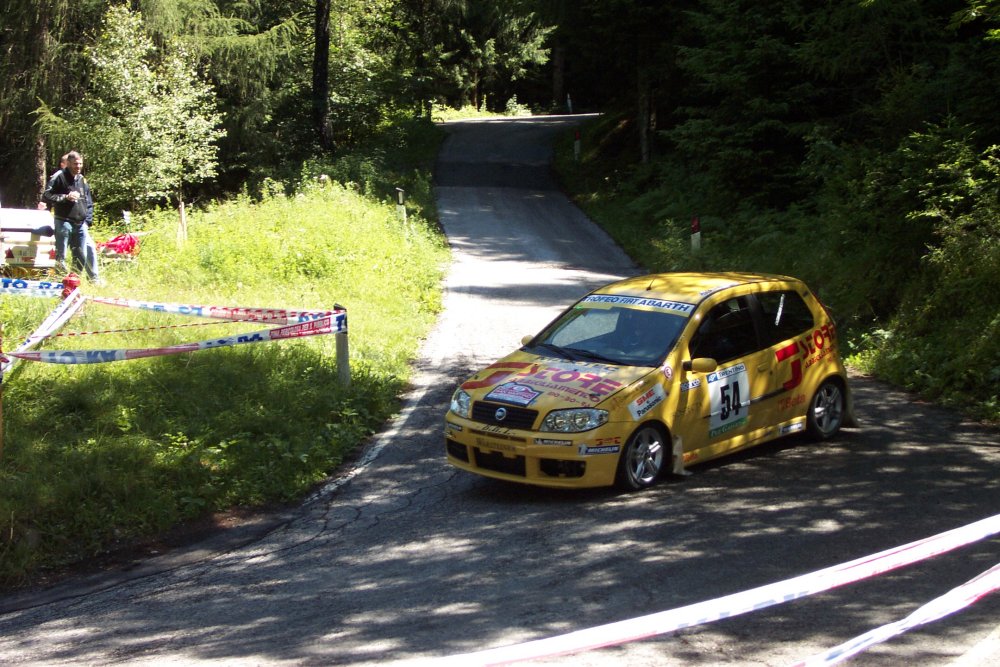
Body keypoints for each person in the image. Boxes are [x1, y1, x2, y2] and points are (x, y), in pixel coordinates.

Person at [42, 151, 100, 282]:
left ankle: (74, 281)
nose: (78, 167)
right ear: (68, 163)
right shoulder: (59, 177)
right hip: (63, 222)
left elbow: (88, 202)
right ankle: (60, 281)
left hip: (80, 224)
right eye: (75, 164)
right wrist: (65, 197)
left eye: (80, 164)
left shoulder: (82, 179)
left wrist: (87, 221)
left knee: (81, 255)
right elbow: (47, 195)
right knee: (61, 255)